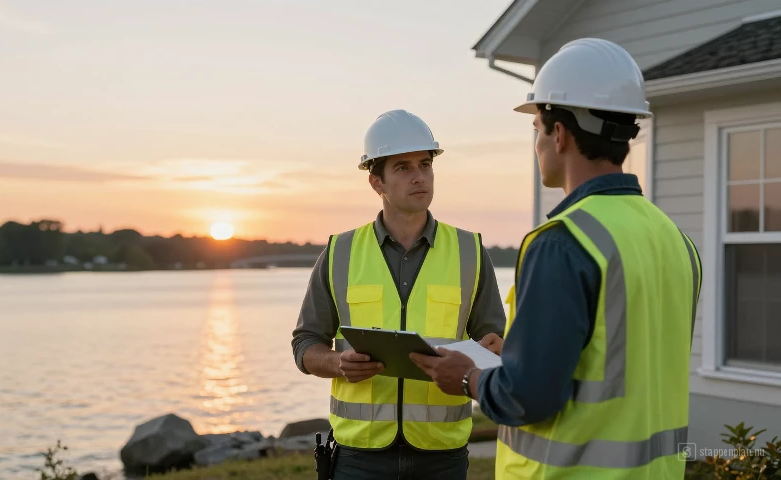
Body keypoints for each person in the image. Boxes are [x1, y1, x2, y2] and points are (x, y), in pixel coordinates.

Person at [411, 38, 702, 479]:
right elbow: (619, 359)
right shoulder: (676, 240)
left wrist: (468, 378)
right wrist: (523, 353)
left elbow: (529, 397)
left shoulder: (563, 242)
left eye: (537, 131)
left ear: (559, 134)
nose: (537, 144)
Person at [291, 109, 506, 480]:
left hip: (442, 455)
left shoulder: (470, 251)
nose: (420, 176)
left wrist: (494, 350)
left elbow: (499, 343)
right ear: (377, 182)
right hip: (360, 457)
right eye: (404, 167)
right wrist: (337, 364)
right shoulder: (340, 252)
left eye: (425, 164)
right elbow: (305, 344)